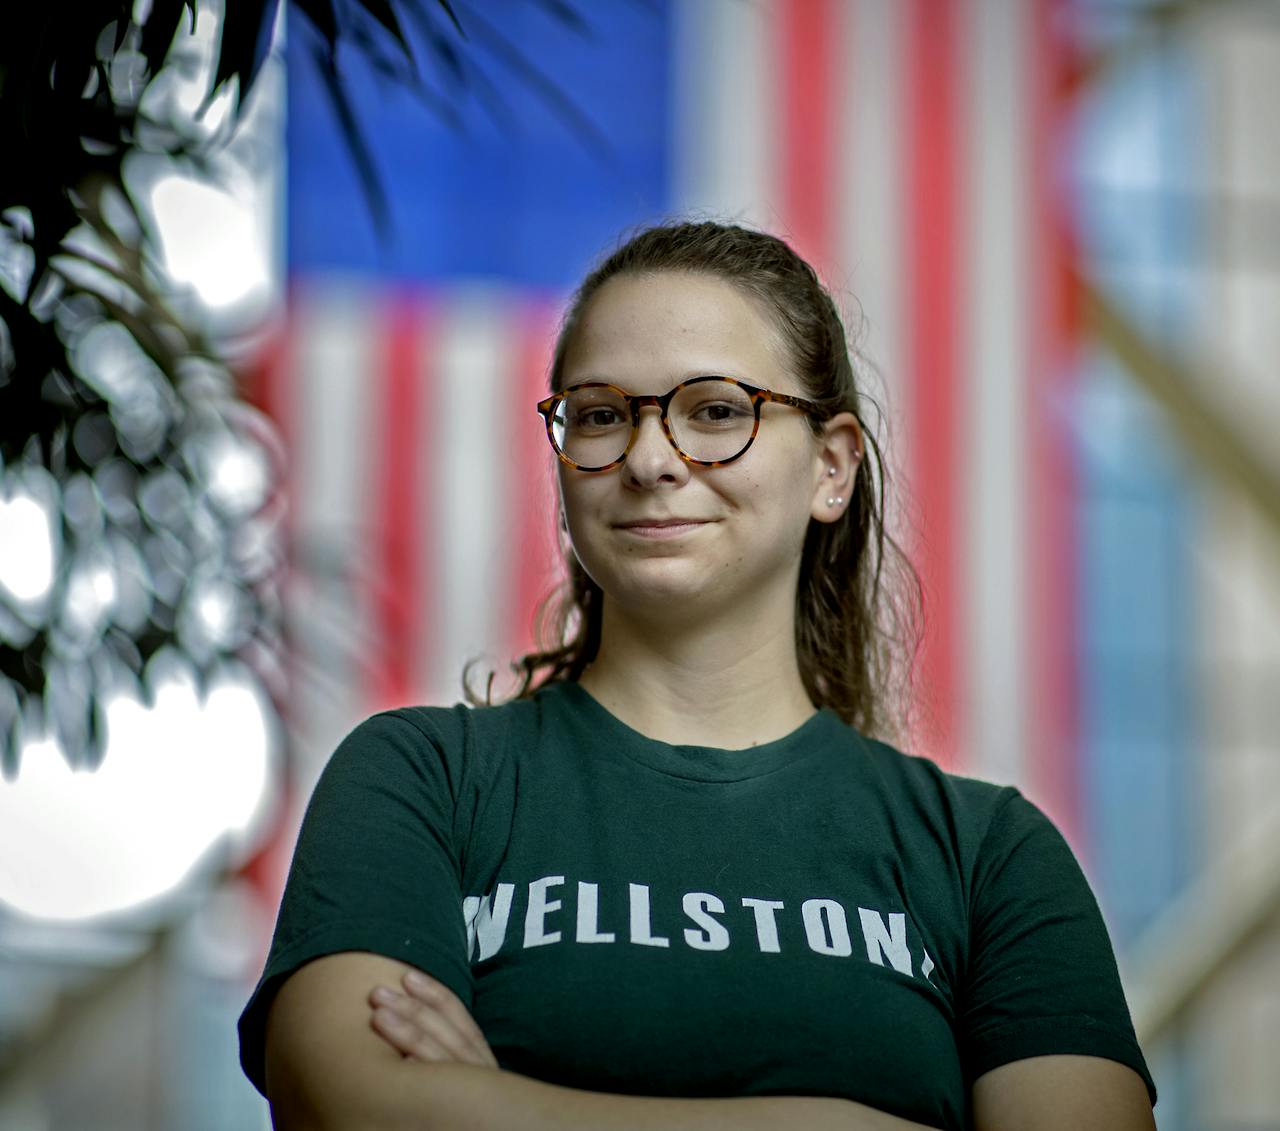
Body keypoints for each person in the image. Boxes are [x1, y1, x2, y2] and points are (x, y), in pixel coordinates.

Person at [237, 221, 1158, 1131]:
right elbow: (351, 1105)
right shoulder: (423, 780)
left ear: (831, 468)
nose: (646, 460)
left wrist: (488, 1104)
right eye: (600, 414)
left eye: (716, 411)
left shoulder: (985, 855)